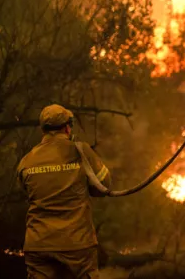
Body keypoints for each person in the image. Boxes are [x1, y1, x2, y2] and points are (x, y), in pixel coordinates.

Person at [17, 104, 112, 279]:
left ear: (43, 130)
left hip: (39, 245)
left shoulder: (26, 161)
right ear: (68, 127)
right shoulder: (81, 151)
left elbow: (27, 193)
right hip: (77, 245)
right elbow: (104, 186)